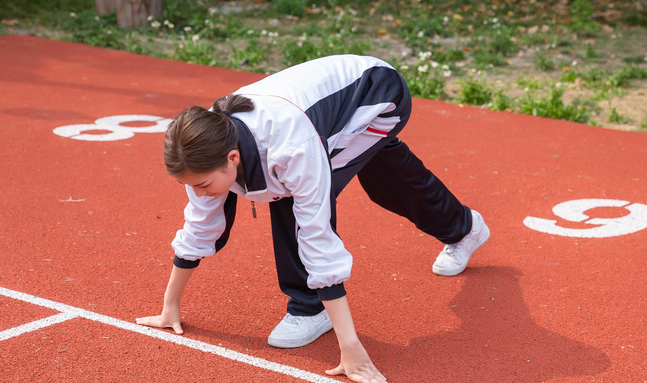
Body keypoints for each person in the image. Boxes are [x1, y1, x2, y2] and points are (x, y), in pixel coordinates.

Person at [136, 55, 490, 382]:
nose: (197, 192)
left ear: (232, 158)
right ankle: (463, 228)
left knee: (297, 198)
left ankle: (309, 308)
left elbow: (316, 234)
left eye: (202, 184)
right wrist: (170, 306)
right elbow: (200, 224)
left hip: (377, 94)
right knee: (382, 173)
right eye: (188, 185)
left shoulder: (291, 148)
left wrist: (349, 346)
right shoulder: (201, 149)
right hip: (322, 112)